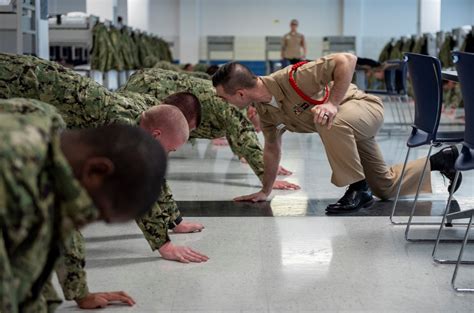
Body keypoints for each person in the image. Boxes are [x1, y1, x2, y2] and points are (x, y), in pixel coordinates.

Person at [211, 54, 461, 213]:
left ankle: (357, 188)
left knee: (325, 119)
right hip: (344, 127)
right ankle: (441, 160)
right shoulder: (265, 111)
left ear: (240, 94)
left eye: (225, 97)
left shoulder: (293, 77)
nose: (226, 103)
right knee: (384, 188)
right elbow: (272, 148)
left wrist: (331, 103)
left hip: (363, 109)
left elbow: (347, 60)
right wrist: (266, 191)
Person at [0, 103, 167, 312]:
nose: (85, 222)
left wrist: (80, 292)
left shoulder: (49, 137)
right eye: (96, 215)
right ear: (97, 170)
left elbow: (55, 232)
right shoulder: (11, 174)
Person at [120, 67, 296, 185]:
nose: (260, 129)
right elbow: (244, 135)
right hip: (150, 86)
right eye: (261, 123)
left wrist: (267, 163)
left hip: (156, 87)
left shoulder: (234, 111)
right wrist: (269, 177)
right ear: (252, 112)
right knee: (124, 126)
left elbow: (240, 139)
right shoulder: (232, 106)